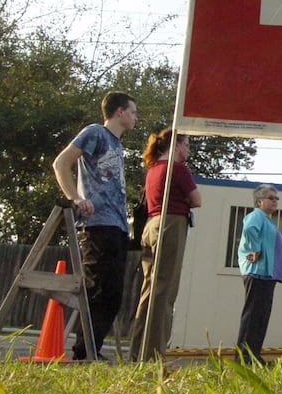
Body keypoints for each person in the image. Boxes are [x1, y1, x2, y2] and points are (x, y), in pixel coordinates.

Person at [51, 91, 137, 361]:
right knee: (98, 289)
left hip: (118, 225)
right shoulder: (95, 132)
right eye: (133, 112)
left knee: (112, 293)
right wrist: (75, 198)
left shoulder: (118, 145)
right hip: (97, 223)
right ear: (120, 111)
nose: (136, 117)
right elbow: (61, 162)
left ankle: (91, 349)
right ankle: (83, 351)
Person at [129, 129, 201, 361]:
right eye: (187, 145)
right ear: (176, 145)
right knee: (165, 290)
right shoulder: (177, 169)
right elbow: (197, 199)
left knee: (149, 290)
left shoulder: (153, 169)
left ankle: (137, 351)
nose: (188, 150)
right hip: (171, 225)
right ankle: (153, 354)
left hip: (151, 225)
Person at [235, 184, 282, 364]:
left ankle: (254, 354)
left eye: (276, 198)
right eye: (271, 198)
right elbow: (250, 229)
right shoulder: (256, 215)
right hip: (257, 272)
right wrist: (255, 249)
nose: (275, 201)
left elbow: (264, 235)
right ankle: (244, 357)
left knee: (261, 315)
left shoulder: (266, 219)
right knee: (254, 314)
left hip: (266, 274)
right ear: (259, 201)